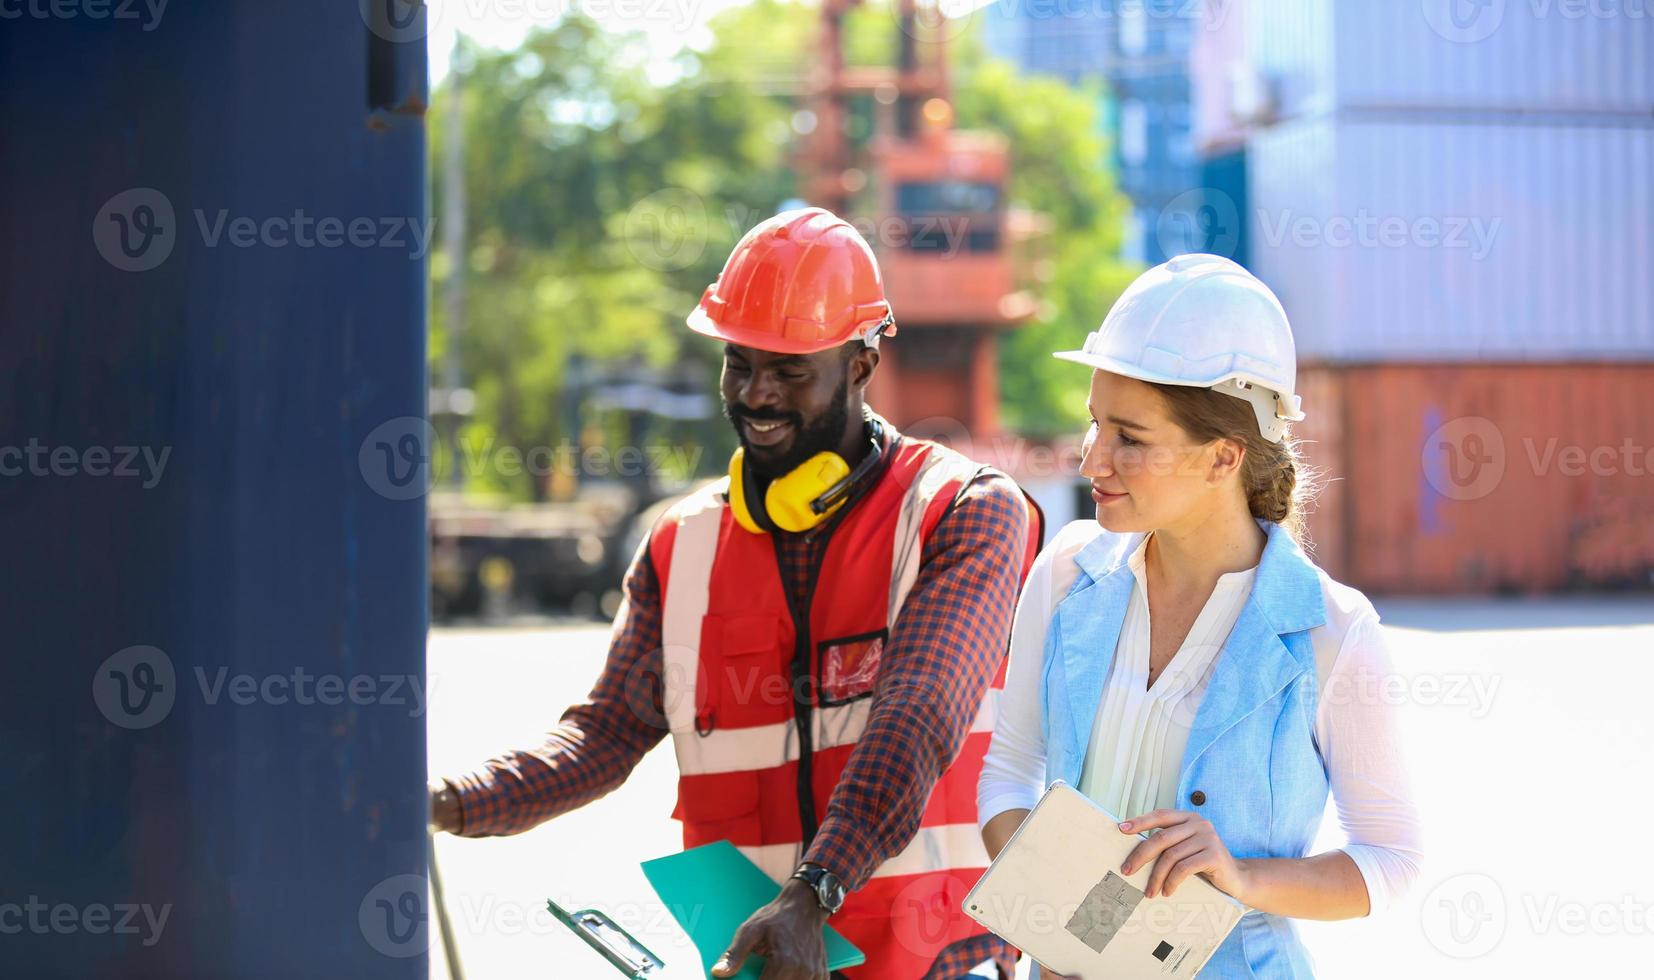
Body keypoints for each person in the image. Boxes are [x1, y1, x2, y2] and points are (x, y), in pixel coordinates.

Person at [430, 207, 1044, 979]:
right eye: (739, 363)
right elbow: (603, 737)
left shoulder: (962, 512)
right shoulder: (680, 544)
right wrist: (447, 801)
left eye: (789, 371)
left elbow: (920, 715)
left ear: (861, 362)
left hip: (935, 962)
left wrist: (810, 895)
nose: (755, 395)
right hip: (759, 963)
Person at [976, 255, 1424, 978]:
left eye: (1130, 437)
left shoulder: (1332, 632)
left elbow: (1392, 859)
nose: (1092, 460)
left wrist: (1241, 878)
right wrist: (1047, 921)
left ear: (1223, 457)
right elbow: (1009, 771)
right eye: (1094, 424)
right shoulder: (1066, 573)